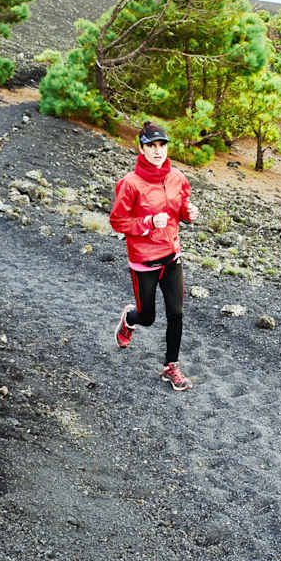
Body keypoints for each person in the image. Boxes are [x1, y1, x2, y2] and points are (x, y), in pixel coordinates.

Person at [109, 122, 199, 391]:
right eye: (151, 146)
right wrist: (147, 222)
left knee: (177, 314)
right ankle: (129, 320)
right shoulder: (129, 184)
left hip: (171, 256)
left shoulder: (178, 178)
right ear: (141, 148)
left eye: (162, 145)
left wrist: (188, 214)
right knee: (147, 317)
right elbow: (117, 221)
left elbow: (179, 209)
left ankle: (171, 367)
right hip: (144, 262)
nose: (158, 151)